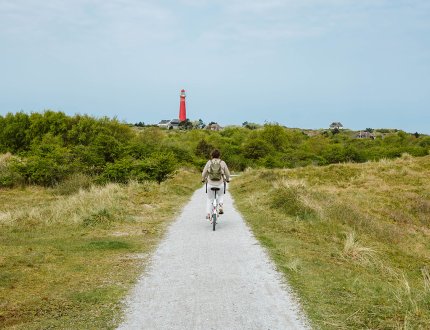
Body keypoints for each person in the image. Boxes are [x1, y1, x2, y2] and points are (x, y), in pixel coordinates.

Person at [201, 149, 231, 219]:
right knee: (220, 195)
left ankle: (208, 214)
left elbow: (203, 174)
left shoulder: (209, 162)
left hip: (210, 184)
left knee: (209, 198)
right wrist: (227, 179)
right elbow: (228, 174)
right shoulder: (222, 162)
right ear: (219, 155)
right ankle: (220, 205)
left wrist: (203, 179)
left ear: (212, 155)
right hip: (220, 184)